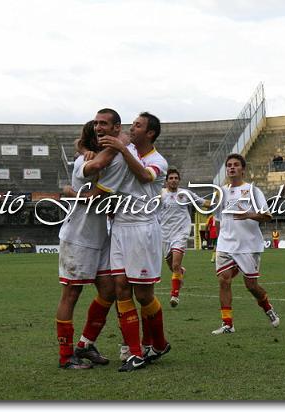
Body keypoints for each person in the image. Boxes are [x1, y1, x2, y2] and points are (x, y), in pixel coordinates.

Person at [80, 111, 171, 372]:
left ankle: (159, 343)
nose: (133, 128)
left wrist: (121, 147)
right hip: (120, 226)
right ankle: (135, 353)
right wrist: (87, 151)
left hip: (143, 229)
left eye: (138, 126)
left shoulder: (158, 161)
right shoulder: (124, 150)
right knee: (120, 287)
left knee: (143, 294)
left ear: (150, 133)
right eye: (132, 124)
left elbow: (144, 176)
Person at [55, 119, 117, 370]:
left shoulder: (106, 160)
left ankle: (85, 344)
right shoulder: (85, 162)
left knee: (109, 292)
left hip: (101, 236)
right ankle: (65, 356)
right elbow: (91, 195)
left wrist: (70, 191)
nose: (104, 137)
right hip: (79, 237)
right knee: (71, 294)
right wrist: (72, 192)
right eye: (98, 135)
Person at [211, 153, 280, 335]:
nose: (232, 168)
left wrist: (248, 214)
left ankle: (267, 307)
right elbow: (217, 219)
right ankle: (228, 324)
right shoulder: (220, 193)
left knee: (251, 285)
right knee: (223, 280)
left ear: (243, 169)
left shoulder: (253, 191)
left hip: (248, 245)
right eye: (229, 165)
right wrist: (217, 243)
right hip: (226, 245)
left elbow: (267, 216)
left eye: (236, 165)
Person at [159, 168, 212, 307]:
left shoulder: (185, 194)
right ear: (166, 181)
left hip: (181, 232)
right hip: (164, 234)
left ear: (179, 180)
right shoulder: (160, 194)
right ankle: (180, 272)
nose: (173, 180)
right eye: (171, 178)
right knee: (172, 267)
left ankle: (174, 296)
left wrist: (219, 203)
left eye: (176, 178)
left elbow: (203, 202)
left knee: (175, 264)